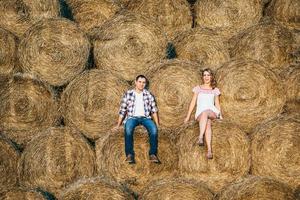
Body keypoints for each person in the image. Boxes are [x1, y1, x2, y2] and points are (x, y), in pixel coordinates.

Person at [113, 75, 160, 164]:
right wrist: (118, 125)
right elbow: (122, 110)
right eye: (140, 82)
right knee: (128, 130)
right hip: (132, 118)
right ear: (135, 82)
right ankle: (129, 154)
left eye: (143, 82)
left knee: (154, 130)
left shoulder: (148, 94)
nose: (141, 84)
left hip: (145, 118)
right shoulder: (128, 94)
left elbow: (154, 110)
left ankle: (152, 154)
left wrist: (157, 124)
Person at [184, 68, 222, 159]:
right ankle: (209, 151)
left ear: (211, 77)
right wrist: (188, 116)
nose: (206, 77)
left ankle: (200, 137)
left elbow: (217, 104)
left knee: (206, 113)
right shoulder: (198, 88)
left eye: (208, 75)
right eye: (204, 75)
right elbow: (193, 102)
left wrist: (221, 117)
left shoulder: (215, 90)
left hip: (212, 111)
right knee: (207, 124)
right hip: (200, 113)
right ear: (202, 77)